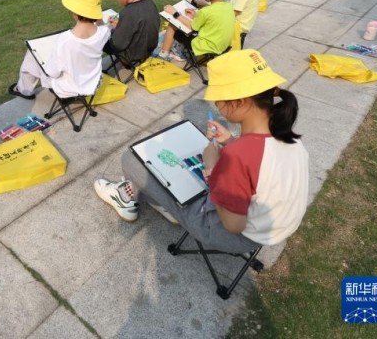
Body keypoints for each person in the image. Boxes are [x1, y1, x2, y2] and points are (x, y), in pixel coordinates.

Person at [94, 49, 309, 254]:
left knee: (132, 159)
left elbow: (233, 225)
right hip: (274, 229)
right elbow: (260, 167)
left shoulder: (238, 156)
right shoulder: (289, 138)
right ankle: (165, 203)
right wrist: (230, 141)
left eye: (219, 98)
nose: (216, 104)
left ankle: (131, 199)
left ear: (240, 102)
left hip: (231, 234)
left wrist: (213, 167)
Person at [8, 0, 110, 100]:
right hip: (93, 82)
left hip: (69, 88)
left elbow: (52, 73)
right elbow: (100, 25)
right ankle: (24, 88)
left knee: (32, 55)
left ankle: (24, 90)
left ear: (74, 11)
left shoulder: (66, 40)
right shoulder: (104, 32)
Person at [157, 0, 234, 61]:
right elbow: (212, 19)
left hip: (206, 47)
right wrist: (195, 15)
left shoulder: (205, 11)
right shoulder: (228, 6)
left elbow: (192, 27)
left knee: (172, 26)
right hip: (223, 45)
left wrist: (175, 13)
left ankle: (164, 54)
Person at [102, 0, 160, 69]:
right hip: (149, 49)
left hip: (132, 56)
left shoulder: (128, 12)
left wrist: (110, 32)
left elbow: (118, 45)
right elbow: (140, 25)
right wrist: (120, 25)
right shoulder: (150, 3)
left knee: (102, 38)